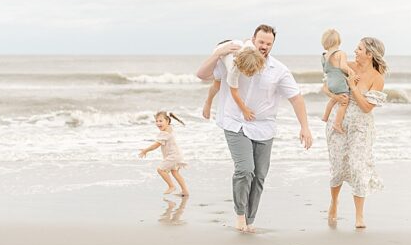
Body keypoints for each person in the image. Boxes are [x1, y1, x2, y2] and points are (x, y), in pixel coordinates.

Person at [195, 24, 312, 233]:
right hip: (235, 121)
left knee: (259, 175)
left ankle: (250, 220)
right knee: (245, 169)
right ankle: (240, 215)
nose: (264, 46)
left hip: (264, 127)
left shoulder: (279, 70)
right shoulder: (235, 59)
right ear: (253, 40)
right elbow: (202, 75)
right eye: (261, 42)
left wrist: (305, 127)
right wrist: (220, 52)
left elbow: (296, 98)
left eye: (269, 43)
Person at [324, 37, 388, 229]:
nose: (355, 51)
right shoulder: (346, 66)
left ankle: (359, 216)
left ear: (370, 54)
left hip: (361, 126)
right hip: (338, 122)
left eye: (359, 49)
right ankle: (334, 203)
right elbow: (325, 87)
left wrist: (352, 86)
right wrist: (335, 96)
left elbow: (367, 107)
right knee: (338, 165)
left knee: (357, 166)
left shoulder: (377, 78)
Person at [138, 111, 189, 196]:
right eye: (157, 121)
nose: (158, 123)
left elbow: (156, 145)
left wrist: (145, 150)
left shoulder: (164, 133)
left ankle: (171, 186)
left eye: (161, 121)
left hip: (173, 156)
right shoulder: (169, 129)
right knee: (175, 172)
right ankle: (185, 191)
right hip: (176, 155)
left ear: (167, 121)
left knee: (160, 169)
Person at [319, 28, 355, 133]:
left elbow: (326, 71)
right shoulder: (340, 53)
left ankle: (325, 117)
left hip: (330, 83)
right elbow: (343, 67)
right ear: (338, 41)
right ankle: (337, 124)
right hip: (339, 83)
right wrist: (352, 73)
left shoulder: (323, 56)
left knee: (333, 100)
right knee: (344, 102)